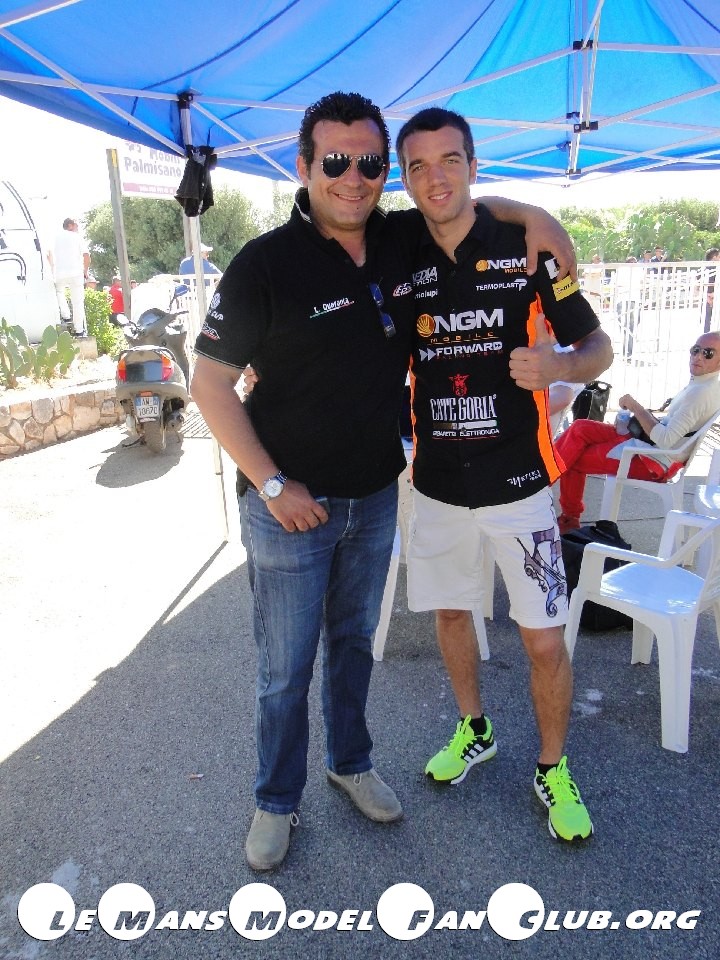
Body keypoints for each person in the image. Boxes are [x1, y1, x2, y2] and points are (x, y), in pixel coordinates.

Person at [191, 91, 580, 871]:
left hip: (373, 496)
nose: (353, 176)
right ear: (305, 168)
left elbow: (459, 202)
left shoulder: (400, 238)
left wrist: (540, 215)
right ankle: (276, 800)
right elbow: (209, 384)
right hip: (289, 507)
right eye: (335, 161)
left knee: (352, 649)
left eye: (370, 163)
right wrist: (272, 485)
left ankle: (351, 762)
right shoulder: (265, 262)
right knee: (284, 668)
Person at [395, 107, 612, 843]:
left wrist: (562, 365)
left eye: (449, 160)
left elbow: (599, 345)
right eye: (419, 166)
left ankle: (552, 767)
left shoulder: (525, 248)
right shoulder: (399, 250)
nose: (435, 178)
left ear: (473, 165)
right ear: (405, 178)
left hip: (521, 488)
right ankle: (475, 729)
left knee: (542, 640)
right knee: (451, 615)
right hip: (438, 487)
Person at [554, 331, 720, 533]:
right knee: (581, 427)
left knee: (573, 457)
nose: (698, 357)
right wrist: (639, 419)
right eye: (695, 350)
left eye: (708, 353)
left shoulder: (700, 394)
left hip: (652, 460)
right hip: (648, 445)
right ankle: (544, 474)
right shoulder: (705, 384)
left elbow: (665, 440)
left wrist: (635, 407)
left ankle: (560, 509)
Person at [47, 217, 90, 336]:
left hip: (59, 273)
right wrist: (85, 270)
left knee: (59, 292)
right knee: (77, 302)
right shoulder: (77, 237)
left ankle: (66, 315)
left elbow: (48, 255)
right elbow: (86, 255)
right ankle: (79, 330)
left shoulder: (55, 237)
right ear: (70, 225)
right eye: (76, 225)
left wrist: (52, 269)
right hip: (76, 273)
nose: (78, 227)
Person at [704, 247, 718, 334]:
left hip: (708, 298)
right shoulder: (715, 269)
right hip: (711, 298)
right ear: (714, 257)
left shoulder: (702, 269)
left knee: (706, 321)